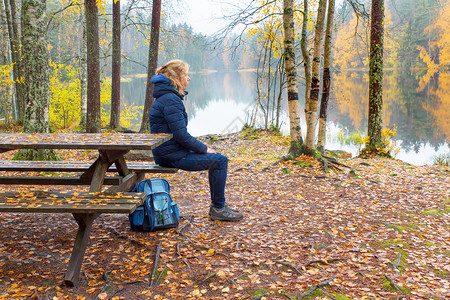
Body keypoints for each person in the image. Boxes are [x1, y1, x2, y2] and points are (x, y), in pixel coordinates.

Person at [149, 59, 243, 222]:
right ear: (176, 78)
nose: (189, 78)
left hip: (168, 152)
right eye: (186, 74)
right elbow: (181, 136)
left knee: (217, 158)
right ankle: (218, 209)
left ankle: (218, 207)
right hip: (172, 156)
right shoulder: (171, 100)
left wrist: (201, 148)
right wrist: (204, 148)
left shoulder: (166, 97)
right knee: (220, 161)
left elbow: (178, 135)